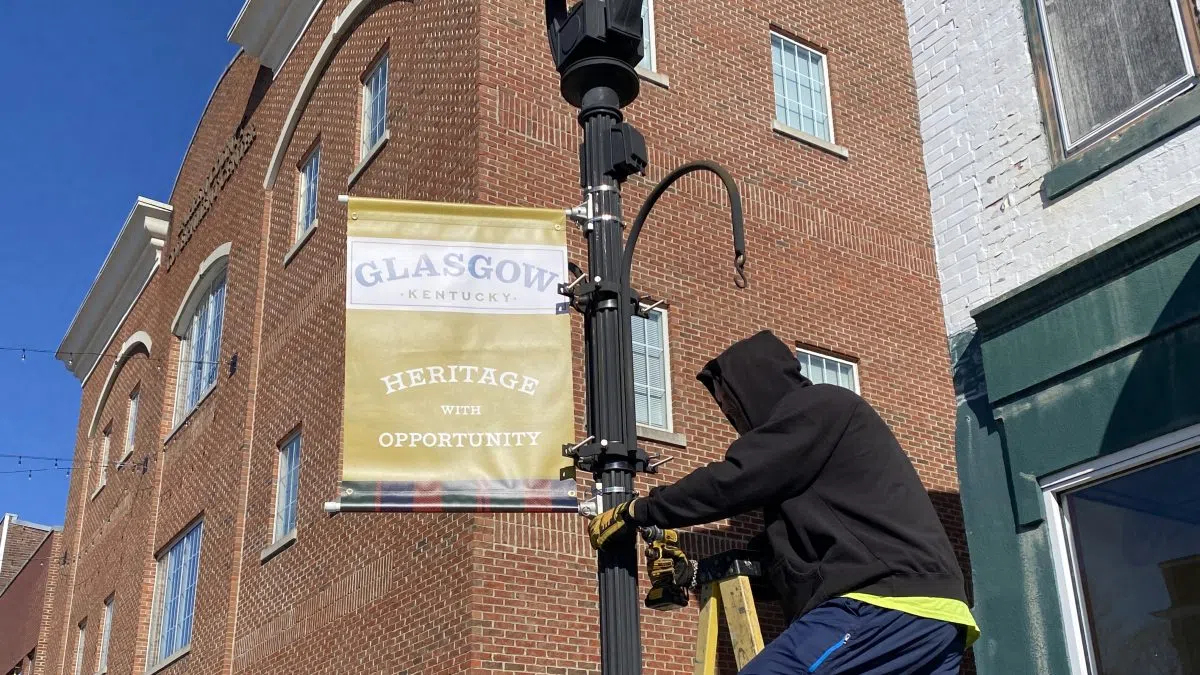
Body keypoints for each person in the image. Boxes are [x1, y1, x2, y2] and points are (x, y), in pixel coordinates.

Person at [588, 330, 978, 674]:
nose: (731, 417)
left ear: (755, 388)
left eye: (731, 406)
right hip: (935, 623)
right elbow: (785, 567)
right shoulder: (810, 478)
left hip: (883, 605)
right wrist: (692, 573)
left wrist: (640, 511)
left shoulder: (821, 407)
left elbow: (735, 479)